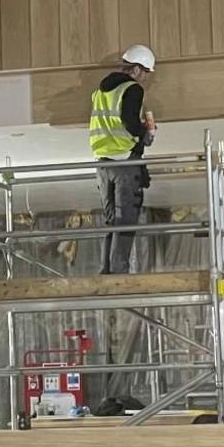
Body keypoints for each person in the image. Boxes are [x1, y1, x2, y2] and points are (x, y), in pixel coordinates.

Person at [88, 44, 156, 274]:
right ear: (136, 69)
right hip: (124, 160)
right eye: (145, 72)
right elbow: (129, 122)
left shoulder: (100, 92)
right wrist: (145, 132)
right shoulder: (132, 89)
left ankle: (106, 270)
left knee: (111, 220)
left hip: (102, 160)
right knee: (125, 219)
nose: (145, 78)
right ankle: (119, 271)